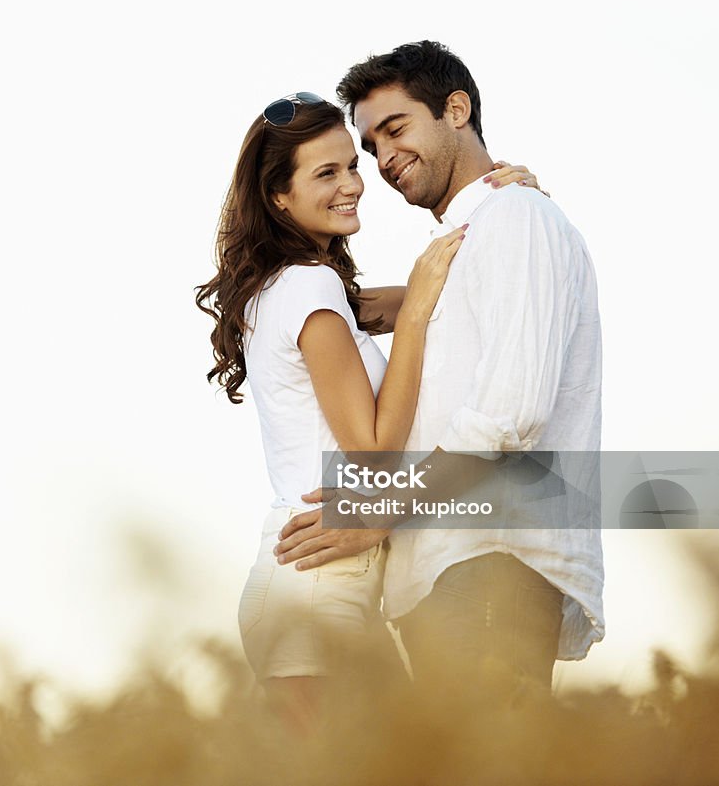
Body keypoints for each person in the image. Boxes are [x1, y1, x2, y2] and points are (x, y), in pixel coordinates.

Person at [196, 91, 543, 726]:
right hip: (316, 577)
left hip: (323, 574)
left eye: (350, 165)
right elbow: (375, 452)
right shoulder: (308, 285)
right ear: (279, 195)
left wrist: (505, 216)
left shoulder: (290, 284)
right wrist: (415, 314)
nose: (354, 183)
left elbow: (439, 297)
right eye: (325, 174)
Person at [273, 41, 605, 701]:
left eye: (395, 129)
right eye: (372, 146)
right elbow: (350, 309)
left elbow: (511, 415)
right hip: (448, 568)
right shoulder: (470, 236)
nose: (385, 158)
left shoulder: (517, 217)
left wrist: (379, 512)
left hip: (489, 560)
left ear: (457, 109)